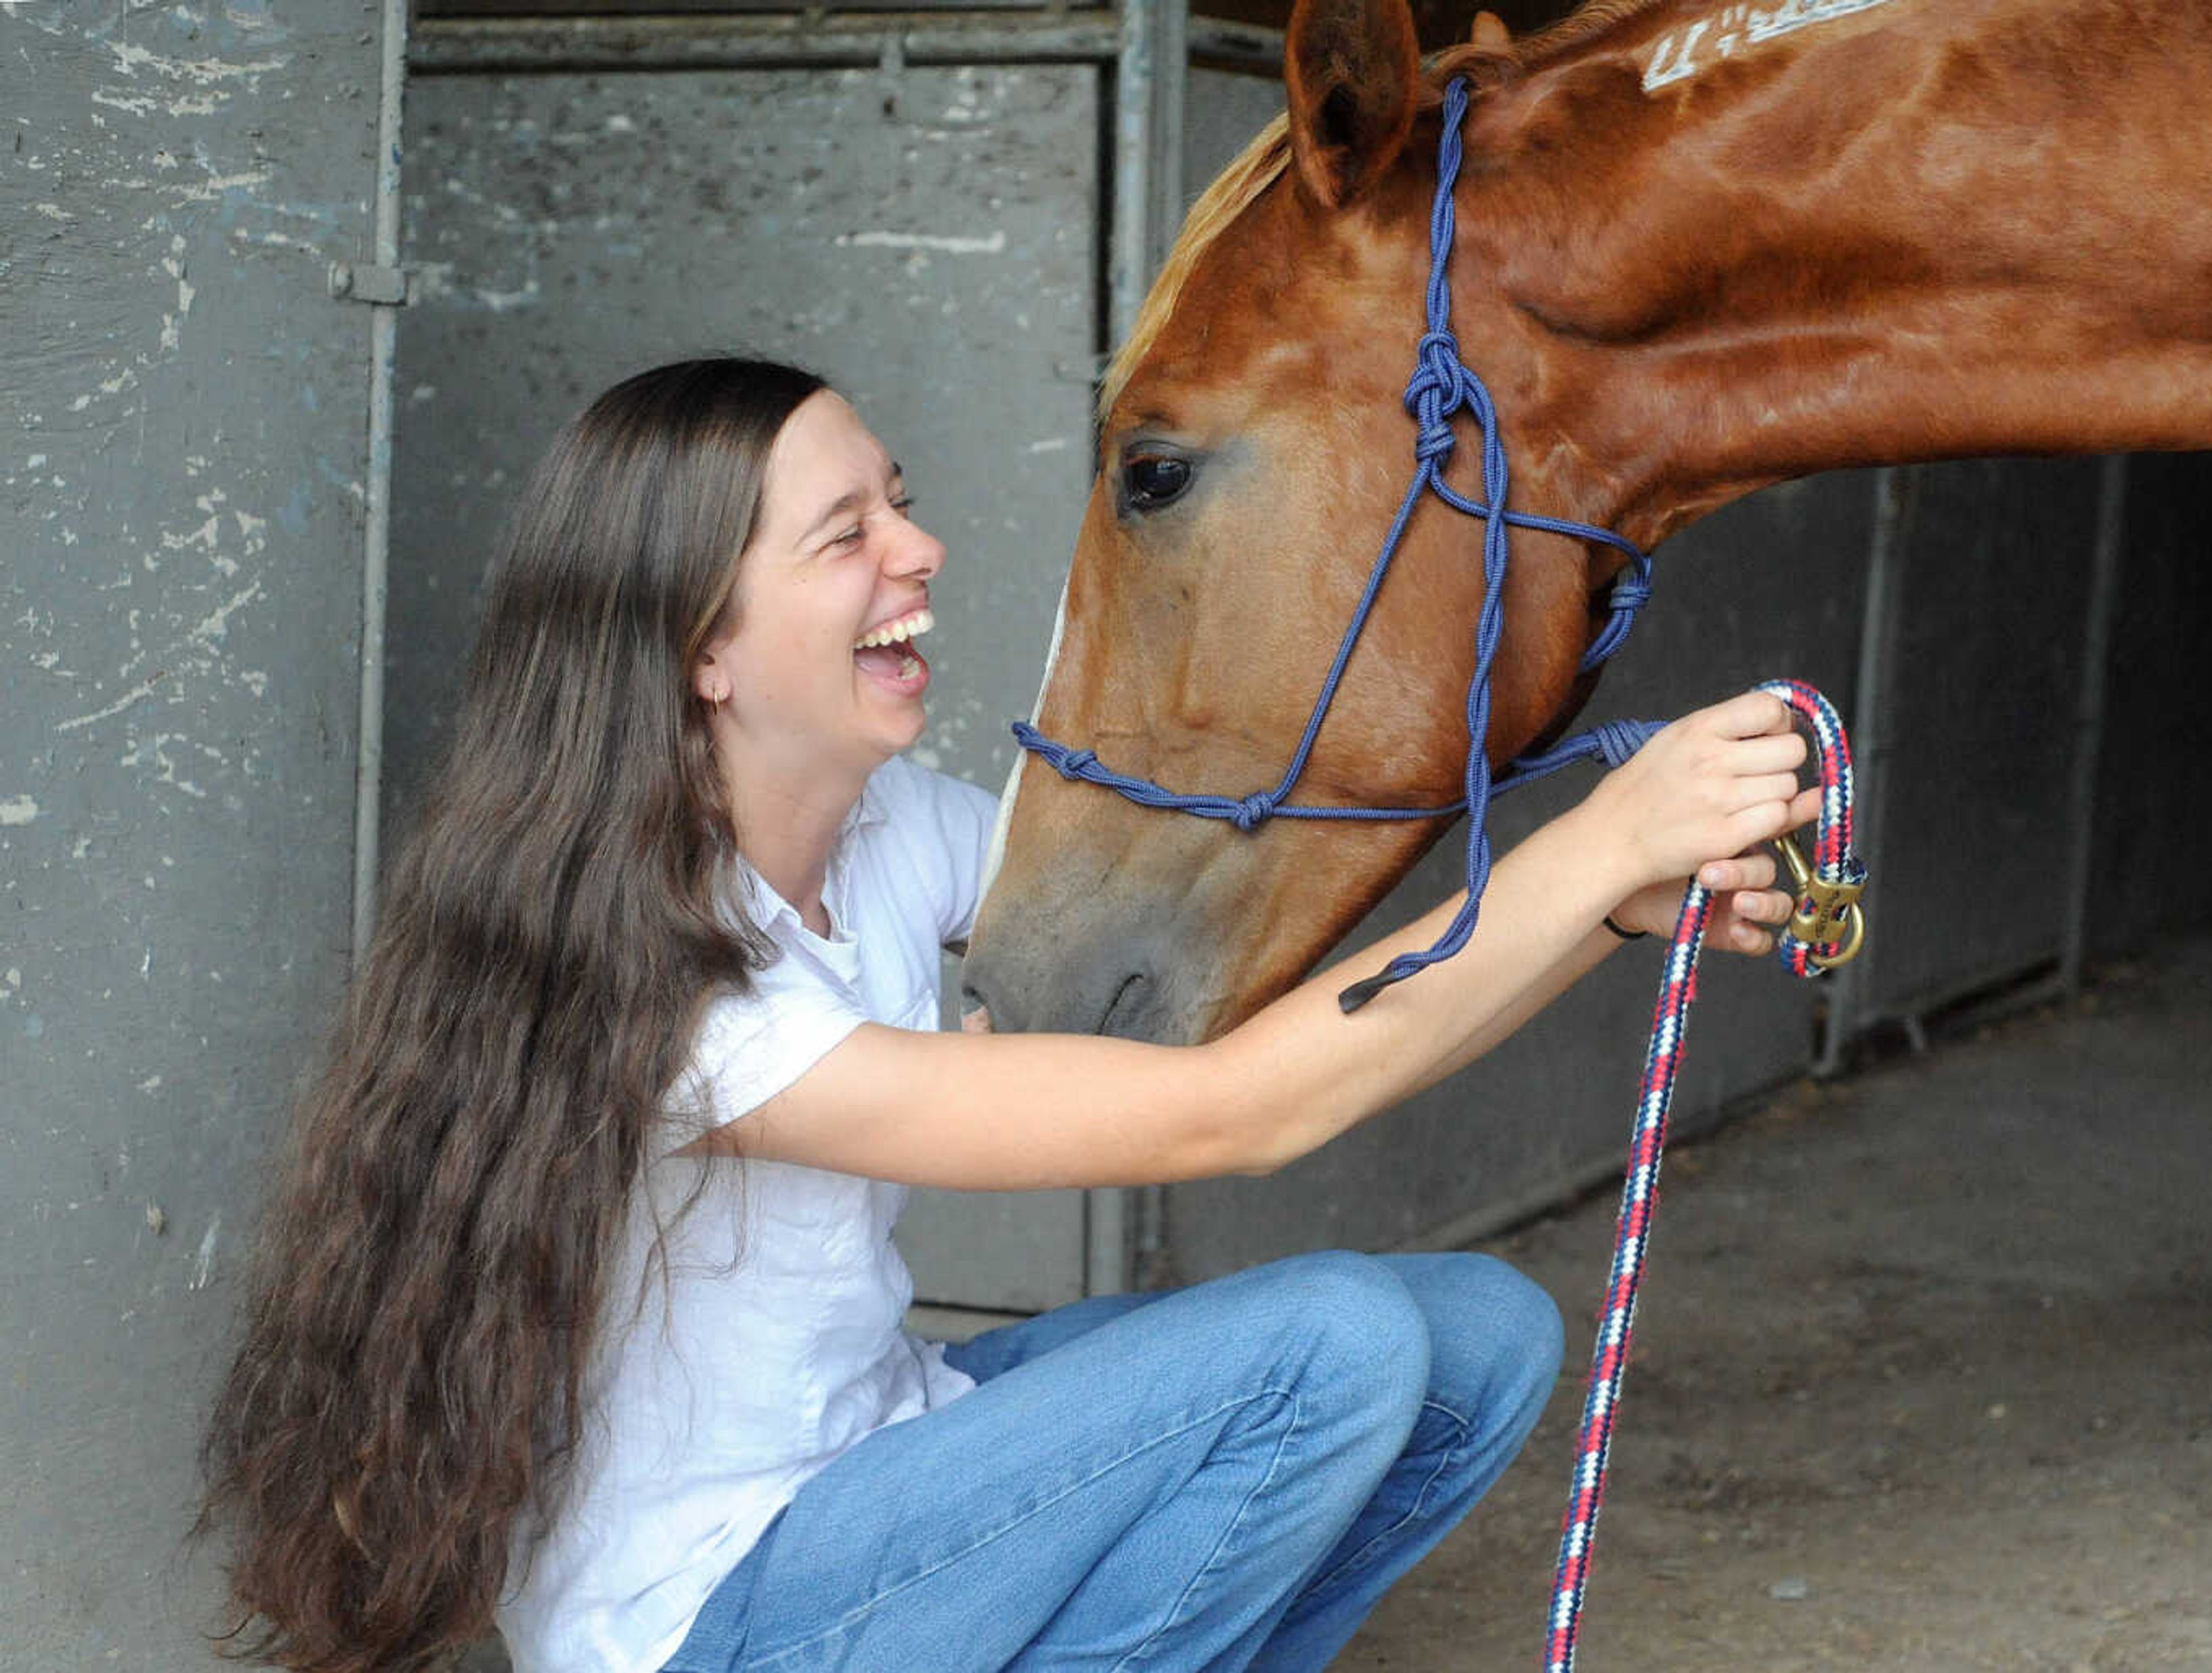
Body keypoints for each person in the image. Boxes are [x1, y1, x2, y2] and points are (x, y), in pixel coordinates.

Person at [198, 357, 1819, 1673]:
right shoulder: (671, 985)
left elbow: (1250, 1010)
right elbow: (1239, 1113)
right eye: (845, 536)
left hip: (889, 1464)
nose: (920, 548)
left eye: (896, 502)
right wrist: (1597, 841)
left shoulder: (898, 833)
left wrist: (1604, 910)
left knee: (1476, 1340)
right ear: (704, 646)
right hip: (723, 1616)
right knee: (1324, 1350)